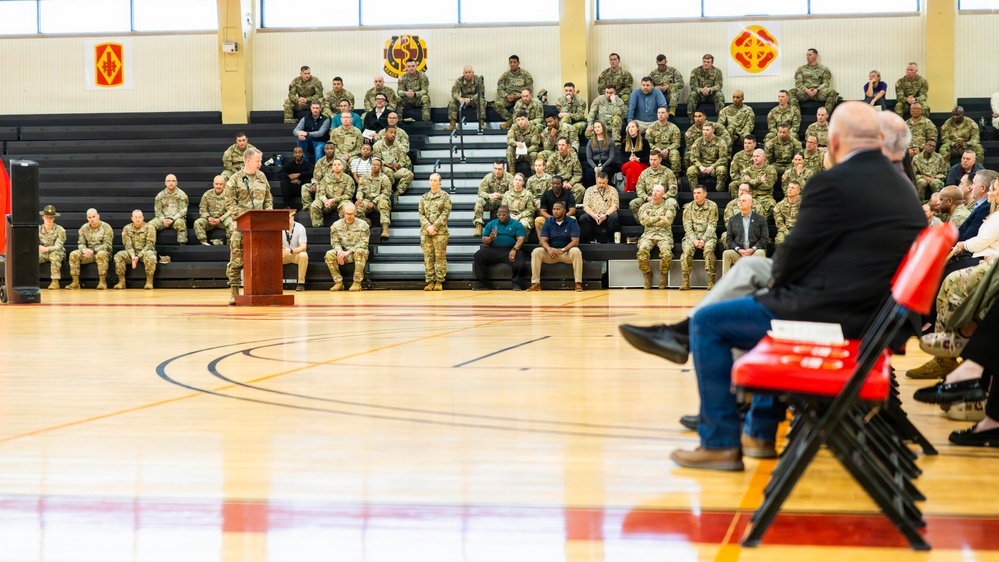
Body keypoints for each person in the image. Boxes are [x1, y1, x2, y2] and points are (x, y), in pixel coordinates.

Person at [655, 102, 925, 471]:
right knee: (762, 305)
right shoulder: (903, 188)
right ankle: (759, 432)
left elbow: (788, 261)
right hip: (875, 320)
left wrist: (774, 290)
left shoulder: (833, 183)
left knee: (712, 321)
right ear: (877, 140)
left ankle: (719, 442)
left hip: (837, 321)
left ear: (833, 140)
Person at [224, 147, 274, 305]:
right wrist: (246, 215)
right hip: (241, 226)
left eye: (260, 161)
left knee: (261, 260)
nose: (260, 164)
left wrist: (267, 214)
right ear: (248, 161)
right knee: (237, 261)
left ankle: (261, 290)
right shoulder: (235, 179)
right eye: (257, 161)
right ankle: (234, 292)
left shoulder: (262, 177)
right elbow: (229, 203)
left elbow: (268, 199)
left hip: (260, 228)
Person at [528, 201, 583, 292]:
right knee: (536, 251)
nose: (555, 211)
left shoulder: (572, 222)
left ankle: (578, 283)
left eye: (558, 209)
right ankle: (535, 283)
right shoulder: (548, 222)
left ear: (564, 211)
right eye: (554, 209)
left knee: (576, 251)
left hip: (566, 252)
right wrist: (549, 249)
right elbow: (543, 240)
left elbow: (575, 241)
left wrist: (563, 250)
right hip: (552, 253)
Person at [473, 205, 528, 291]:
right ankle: (483, 284)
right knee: (478, 255)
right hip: (494, 250)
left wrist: (514, 249)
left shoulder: (516, 224)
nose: (501, 217)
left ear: (508, 214)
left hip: (509, 250)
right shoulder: (492, 224)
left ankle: (517, 284)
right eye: (499, 215)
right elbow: (484, 239)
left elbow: (521, 238)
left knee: (520, 255)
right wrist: (490, 238)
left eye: (504, 215)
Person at [636, 184, 678, 290]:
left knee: (667, 254)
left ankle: (663, 274)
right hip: (648, 235)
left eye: (658, 191)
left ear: (663, 194)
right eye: (653, 190)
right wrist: (659, 217)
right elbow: (643, 221)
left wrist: (651, 219)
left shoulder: (669, 206)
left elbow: (667, 221)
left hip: (664, 235)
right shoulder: (645, 207)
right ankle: (647, 273)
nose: (654, 193)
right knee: (641, 253)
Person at [679, 185, 718, 291]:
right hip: (692, 236)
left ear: (705, 194)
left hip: (708, 236)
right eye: (694, 193)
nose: (696, 195)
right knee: (686, 251)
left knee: (709, 251)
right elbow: (687, 226)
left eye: (699, 193)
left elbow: (712, 225)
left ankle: (711, 281)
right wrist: (694, 240)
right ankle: (686, 281)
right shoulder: (688, 207)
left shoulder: (712, 206)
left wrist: (704, 239)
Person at [325, 202, 369, 292]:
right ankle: (338, 283)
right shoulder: (336, 225)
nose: (349, 216)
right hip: (343, 251)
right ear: (343, 212)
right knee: (329, 254)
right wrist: (340, 251)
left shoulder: (363, 225)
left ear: (355, 212)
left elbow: (364, 243)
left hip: (356, 252)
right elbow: (335, 242)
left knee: (360, 251)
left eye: (351, 214)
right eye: (347, 214)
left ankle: (357, 283)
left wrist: (349, 252)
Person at [66, 208, 113, 290]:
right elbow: (81, 243)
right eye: (89, 217)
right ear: (87, 218)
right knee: (74, 254)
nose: (92, 219)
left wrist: (93, 251)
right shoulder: (84, 228)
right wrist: (84, 250)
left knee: (101, 254)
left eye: (93, 216)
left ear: (98, 216)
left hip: (103, 253)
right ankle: (75, 282)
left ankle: (102, 282)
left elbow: (107, 245)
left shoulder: (106, 227)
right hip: (88, 254)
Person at [721, 193, 768, 275]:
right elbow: (729, 239)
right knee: (726, 254)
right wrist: (739, 250)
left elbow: (764, 238)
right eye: (740, 201)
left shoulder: (760, 219)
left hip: (754, 252)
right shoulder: (733, 219)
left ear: (750, 203)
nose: (740, 202)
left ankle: (762, 282)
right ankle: (725, 282)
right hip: (739, 252)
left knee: (760, 252)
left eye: (743, 201)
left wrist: (753, 249)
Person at [419, 173, 451, 291]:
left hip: (440, 232)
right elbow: (421, 214)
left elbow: (445, 213)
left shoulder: (445, 196)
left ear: (440, 182)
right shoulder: (424, 197)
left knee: (440, 257)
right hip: (426, 232)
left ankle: (439, 281)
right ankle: (430, 281)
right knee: (428, 257)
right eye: (431, 180)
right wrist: (428, 227)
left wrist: (435, 226)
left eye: (435, 180)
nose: (432, 182)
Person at [113, 209, 157, 290]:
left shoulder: (150, 228)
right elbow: (127, 245)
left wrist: (139, 256)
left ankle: (149, 281)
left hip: (145, 252)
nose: (138, 219)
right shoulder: (127, 228)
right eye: (136, 217)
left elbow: (149, 245)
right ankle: (121, 281)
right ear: (132, 218)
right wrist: (133, 256)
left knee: (151, 256)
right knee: (118, 256)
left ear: (143, 218)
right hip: (131, 253)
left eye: (139, 217)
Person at [789, 48, 839, 113]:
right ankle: (796, 115)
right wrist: (806, 90)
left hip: (818, 93)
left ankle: (825, 115)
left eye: (810, 55)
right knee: (790, 92)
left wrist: (817, 89)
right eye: (806, 55)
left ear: (816, 56)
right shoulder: (801, 69)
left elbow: (826, 83)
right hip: (805, 93)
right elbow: (798, 83)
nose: (807, 57)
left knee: (832, 92)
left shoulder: (824, 69)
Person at [631, 149, 678, 217]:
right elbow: (639, 189)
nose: (652, 162)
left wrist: (663, 197)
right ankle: (645, 224)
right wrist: (647, 198)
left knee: (672, 203)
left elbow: (673, 189)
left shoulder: (668, 172)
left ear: (660, 160)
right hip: (648, 199)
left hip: (664, 199)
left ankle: (666, 224)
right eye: (651, 160)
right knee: (633, 204)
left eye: (655, 160)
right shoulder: (644, 173)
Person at [309, 157, 355, 227]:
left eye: (339, 164)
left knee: (346, 206)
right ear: (332, 167)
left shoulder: (348, 179)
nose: (336, 166)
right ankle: (318, 227)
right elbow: (321, 192)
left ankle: (345, 227)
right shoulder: (326, 178)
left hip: (341, 201)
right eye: (335, 165)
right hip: (327, 201)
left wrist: (333, 200)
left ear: (342, 166)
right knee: (314, 205)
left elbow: (348, 195)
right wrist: (325, 201)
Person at [354, 157, 392, 239]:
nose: (374, 166)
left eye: (377, 165)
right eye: (373, 164)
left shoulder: (384, 178)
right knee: (358, 207)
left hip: (379, 200)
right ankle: (365, 225)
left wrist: (374, 202)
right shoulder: (365, 177)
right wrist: (359, 198)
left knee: (384, 204)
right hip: (366, 200)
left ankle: (385, 229)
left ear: (380, 167)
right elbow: (360, 190)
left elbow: (386, 193)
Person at [473, 160, 513, 237]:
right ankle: (479, 226)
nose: (497, 171)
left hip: (504, 202)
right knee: (479, 201)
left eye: (499, 169)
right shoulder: (488, 177)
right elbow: (480, 192)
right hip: (491, 202)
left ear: (504, 168)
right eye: (495, 168)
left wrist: (500, 196)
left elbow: (512, 193)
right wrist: (489, 195)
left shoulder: (509, 177)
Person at [686, 122, 728, 192]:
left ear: (713, 131)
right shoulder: (698, 141)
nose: (705, 132)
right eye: (704, 130)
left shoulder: (720, 142)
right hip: (702, 167)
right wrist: (700, 166)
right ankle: (696, 192)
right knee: (690, 170)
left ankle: (719, 192)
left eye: (707, 130)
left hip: (714, 167)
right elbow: (693, 157)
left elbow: (723, 158)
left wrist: (712, 167)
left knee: (722, 170)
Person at [579, 172, 620, 244]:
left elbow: (615, 206)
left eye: (603, 183)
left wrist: (605, 215)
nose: (601, 185)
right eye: (599, 183)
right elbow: (585, 206)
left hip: (607, 217)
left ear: (607, 181)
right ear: (596, 181)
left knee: (614, 217)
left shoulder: (613, 190)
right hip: (593, 216)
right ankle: (589, 240)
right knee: (583, 218)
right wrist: (593, 215)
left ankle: (611, 241)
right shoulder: (589, 190)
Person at [148, 174, 189, 245]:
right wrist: (163, 219)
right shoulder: (160, 195)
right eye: (169, 181)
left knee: (181, 223)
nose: (171, 183)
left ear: (176, 182)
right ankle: (150, 246)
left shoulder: (182, 195)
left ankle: (182, 246)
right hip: (162, 219)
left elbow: (183, 211)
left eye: (173, 181)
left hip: (176, 219)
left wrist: (172, 219)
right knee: (149, 225)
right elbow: (157, 211)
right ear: (165, 182)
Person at [494, 55, 533, 129]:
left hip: (521, 98)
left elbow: (529, 89)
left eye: (514, 62)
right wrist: (506, 96)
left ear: (518, 63)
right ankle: (510, 119)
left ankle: (511, 122)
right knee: (497, 104)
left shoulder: (525, 74)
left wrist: (521, 95)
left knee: (522, 107)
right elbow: (500, 88)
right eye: (511, 62)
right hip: (509, 98)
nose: (512, 64)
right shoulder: (505, 75)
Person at [372, 127, 413, 196]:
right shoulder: (377, 145)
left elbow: (403, 159)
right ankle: (387, 193)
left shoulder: (399, 146)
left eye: (394, 133)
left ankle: (396, 194)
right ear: (385, 133)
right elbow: (376, 160)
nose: (393, 135)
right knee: (389, 172)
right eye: (391, 133)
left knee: (409, 174)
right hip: (383, 168)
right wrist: (386, 165)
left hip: (396, 169)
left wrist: (399, 164)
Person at [644, 107, 682, 178]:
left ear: (667, 114)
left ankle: (675, 176)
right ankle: (650, 176)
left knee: (675, 153)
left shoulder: (673, 128)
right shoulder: (651, 127)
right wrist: (654, 148)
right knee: (649, 153)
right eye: (659, 113)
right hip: (655, 150)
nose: (660, 115)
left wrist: (668, 149)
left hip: (668, 151)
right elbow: (647, 142)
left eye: (663, 113)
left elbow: (676, 143)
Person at [534, 175, 576, 239]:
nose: (555, 186)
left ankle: (569, 241)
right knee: (538, 220)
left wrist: (562, 218)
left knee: (573, 218)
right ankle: (543, 241)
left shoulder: (568, 194)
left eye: (557, 184)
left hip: (565, 218)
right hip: (550, 218)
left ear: (562, 184)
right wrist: (552, 219)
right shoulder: (546, 194)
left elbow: (572, 210)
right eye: (553, 184)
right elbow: (542, 211)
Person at [195, 175, 233, 245]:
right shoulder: (207, 194)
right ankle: (204, 242)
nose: (218, 186)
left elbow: (231, 210)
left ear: (224, 185)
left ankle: (229, 243)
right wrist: (208, 217)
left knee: (233, 223)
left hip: (223, 220)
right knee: (198, 223)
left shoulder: (229, 195)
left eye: (221, 184)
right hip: (210, 220)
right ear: (213, 184)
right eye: (216, 184)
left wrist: (220, 219)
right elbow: (202, 208)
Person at [446, 66, 486, 131]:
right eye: (466, 72)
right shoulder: (459, 80)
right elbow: (454, 93)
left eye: (469, 72)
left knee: (481, 100)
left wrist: (470, 99)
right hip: (463, 100)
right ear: (463, 74)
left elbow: (481, 93)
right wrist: (459, 98)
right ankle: (452, 124)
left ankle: (481, 124)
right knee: (452, 101)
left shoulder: (478, 80)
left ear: (473, 73)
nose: (468, 74)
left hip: (474, 99)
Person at [740, 148, 778, 216]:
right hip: (750, 196)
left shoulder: (770, 169)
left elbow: (768, 185)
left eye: (757, 156)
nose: (755, 158)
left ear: (764, 157)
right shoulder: (747, 170)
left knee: (772, 206)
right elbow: (744, 184)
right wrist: (760, 180)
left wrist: (750, 181)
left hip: (765, 197)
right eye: (754, 156)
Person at [546, 137, 584, 202]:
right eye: (559, 145)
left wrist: (570, 183)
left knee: (580, 189)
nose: (561, 147)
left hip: (570, 183)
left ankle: (568, 204)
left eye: (563, 145)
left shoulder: (573, 157)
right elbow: (549, 174)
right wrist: (560, 183)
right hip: (557, 183)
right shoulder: (552, 157)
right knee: (550, 190)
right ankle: (557, 205)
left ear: (568, 146)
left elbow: (578, 174)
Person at [687, 54, 724, 121]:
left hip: (712, 94)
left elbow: (719, 86)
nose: (706, 64)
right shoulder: (695, 71)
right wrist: (701, 90)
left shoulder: (717, 71)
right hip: (700, 94)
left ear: (712, 63)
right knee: (692, 94)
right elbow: (693, 86)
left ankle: (721, 119)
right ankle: (692, 119)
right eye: (704, 61)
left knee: (719, 95)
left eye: (708, 62)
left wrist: (710, 89)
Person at [292, 100, 330, 165]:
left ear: (320, 109)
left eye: (317, 108)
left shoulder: (326, 120)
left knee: (318, 149)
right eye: (313, 108)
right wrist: (299, 134)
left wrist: (307, 133)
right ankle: (304, 163)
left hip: (320, 142)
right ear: (310, 108)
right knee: (300, 139)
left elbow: (320, 133)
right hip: (309, 141)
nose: (315, 110)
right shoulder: (305, 119)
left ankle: (317, 169)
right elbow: (295, 131)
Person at [37, 205, 66, 290]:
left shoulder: (60, 230)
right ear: (43, 217)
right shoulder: (38, 230)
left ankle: (55, 282)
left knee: (54, 255)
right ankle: (29, 280)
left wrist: (47, 249)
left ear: (54, 218)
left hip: (57, 252)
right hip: (43, 252)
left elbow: (59, 246)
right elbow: (34, 243)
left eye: (51, 217)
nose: (49, 219)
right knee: (31, 257)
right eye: (47, 217)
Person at [585, 121, 619, 190]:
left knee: (606, 171)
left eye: (598, 127)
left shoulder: (611, 141)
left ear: (603, 128)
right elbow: (589, 158)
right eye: (595, 127)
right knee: (589, 172)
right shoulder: (590, 141)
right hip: (594, 163)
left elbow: (611, 157)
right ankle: (591, 191)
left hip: (606, 163)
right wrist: (594, 167)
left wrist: (602, 167)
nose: (597, 129)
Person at [501, 172, 536, 239]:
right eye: (516, 179)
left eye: (520, 180)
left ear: (523, 183)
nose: (517, 182)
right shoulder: (507, 194)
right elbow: (504, 209)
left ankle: (519, 243)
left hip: (524, 217)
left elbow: (531, 210)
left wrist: (519, 216)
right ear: (513, 181)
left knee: (522, 225)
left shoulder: (528, 194)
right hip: (510, 216)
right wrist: (510, 216)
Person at [303, 141, 337, 209]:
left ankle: (318, 205)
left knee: (319, 187)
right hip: (321, 185)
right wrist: (314, 184)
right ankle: (309, 207)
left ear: (334, 149)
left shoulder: (339, 162)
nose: (329, 150)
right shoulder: (320, 162)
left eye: (331, 149)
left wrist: (320, 185)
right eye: (327, 149)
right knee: (305, 187)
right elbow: (316, 177)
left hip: (334, 186)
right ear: (324, 150)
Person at [281, 210, 308, 291]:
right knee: (272, 256)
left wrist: (291, 251)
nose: (286, 220)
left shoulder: (300, 228)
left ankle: (301, 283)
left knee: (304, 255)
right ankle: (276, 282)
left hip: (295, 253)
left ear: (292, 217)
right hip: (283, 254)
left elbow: (303, 247)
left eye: (288, 218)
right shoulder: (278, 227)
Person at [620, 121, 650, 192]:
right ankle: (638, 186)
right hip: (627, 164)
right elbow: (622, 158)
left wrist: (638, 159)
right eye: (629, 127)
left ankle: (630, 190)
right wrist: (629, 159)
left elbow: (647, 159)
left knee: (630, 171)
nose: (630, 129)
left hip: (641, 165)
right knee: (632, 164)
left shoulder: (644, 141)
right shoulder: (624, 142)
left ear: (638, 128)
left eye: (633, 127)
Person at [773, 181, 802, 245]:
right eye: (788, 187)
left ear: (798, 191)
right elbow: (779, 223)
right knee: (780, 241)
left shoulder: (804, 204)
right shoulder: (779, 205)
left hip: (801, 230)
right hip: (785, 230)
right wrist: (788, 234)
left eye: (792, 188)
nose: (789, 189)